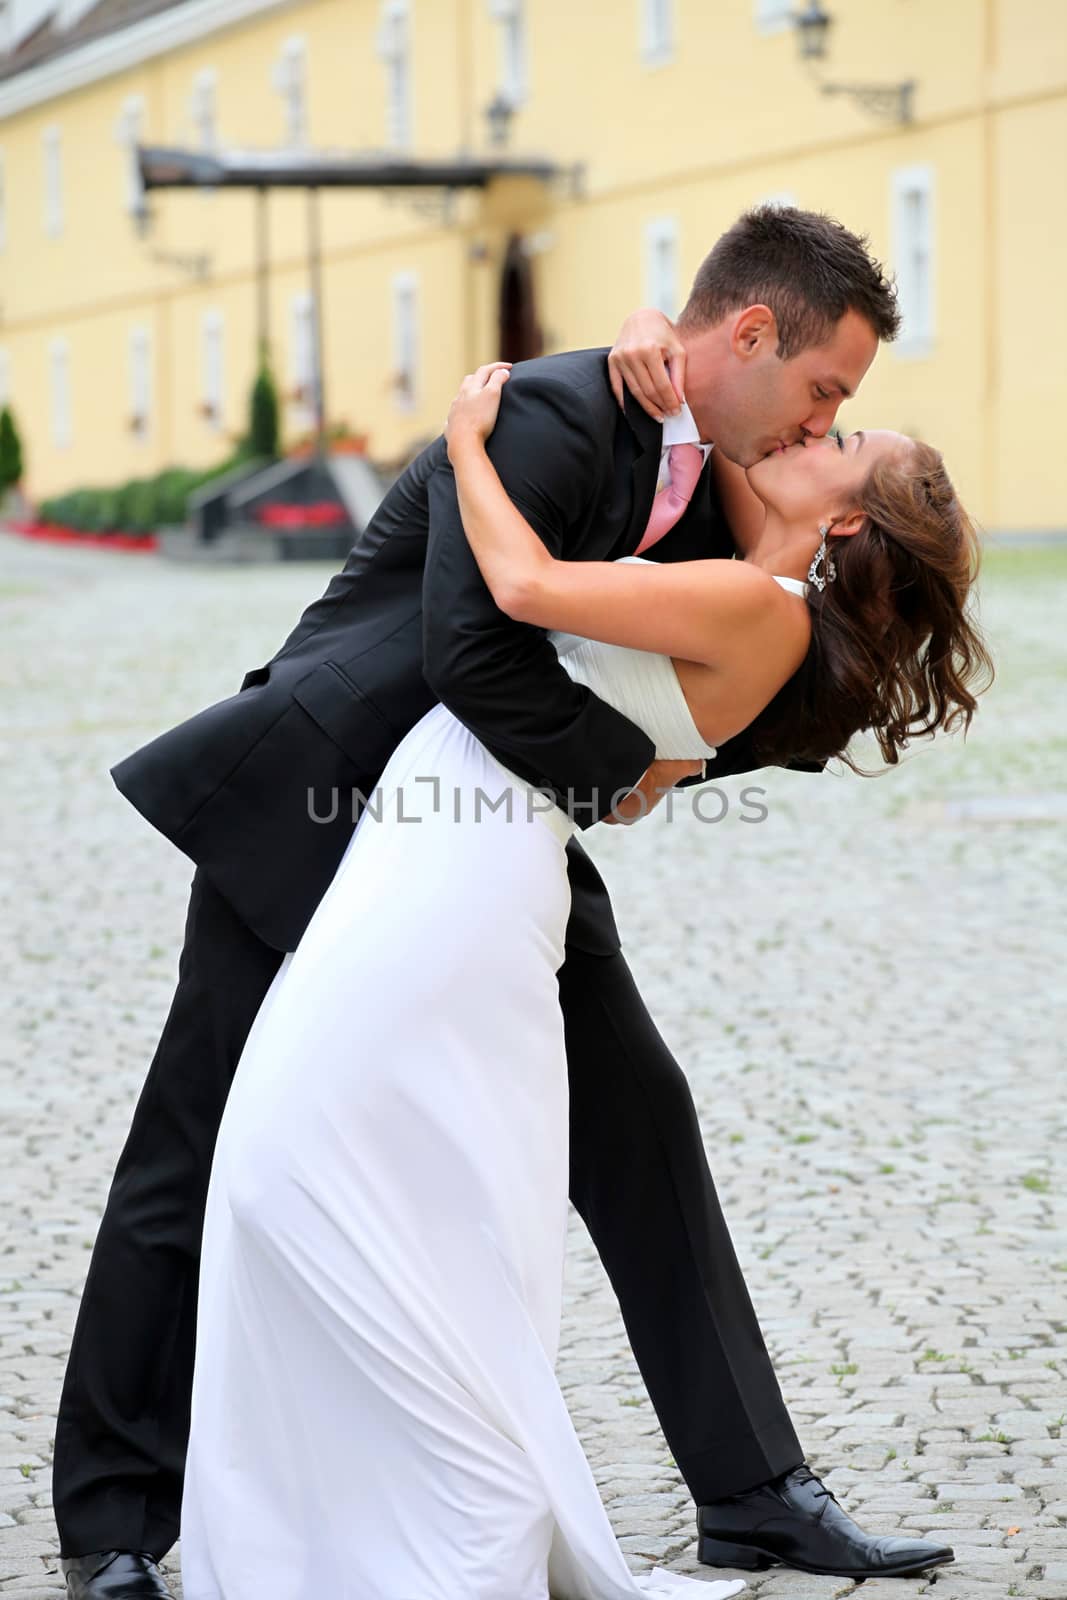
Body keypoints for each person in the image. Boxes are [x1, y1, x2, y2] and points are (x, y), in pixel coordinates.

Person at [56, 208, 962, 1600]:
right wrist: (626, 777)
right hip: (333, 787)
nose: (827, 421)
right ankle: (114, 1521)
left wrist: (674, 753)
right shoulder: (550, 409)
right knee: (195, 1132)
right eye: (826, 392)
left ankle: (754, 1492)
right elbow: (472, 647)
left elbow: (743, 649)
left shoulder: (731, 482)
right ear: (752, 334)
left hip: (483, 831)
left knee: (641, 1115)